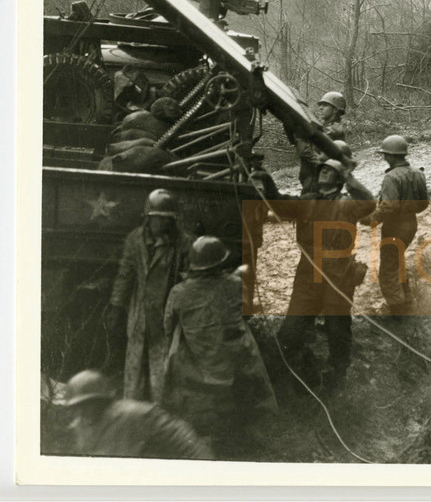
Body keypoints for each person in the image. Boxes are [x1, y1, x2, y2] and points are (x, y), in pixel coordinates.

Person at [162, 236, 277, 451]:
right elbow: (248, 312)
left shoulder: (178, 292)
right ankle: (243, 423)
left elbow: (168, 326)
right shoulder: (235, 284)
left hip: (199, 361)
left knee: (179, 337)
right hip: (235, 358)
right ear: (220, 263)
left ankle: (197, 423)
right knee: (242, 332)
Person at [277, 158, 376, 393]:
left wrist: (350, 178)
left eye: (329, 170)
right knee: (290, 330)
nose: (322, 172)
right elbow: (279, 204)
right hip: (307, 273)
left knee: (337, 328)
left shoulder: (348, 204)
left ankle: (337, 375)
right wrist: (264, 180)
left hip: (338, 273)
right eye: (321, 169)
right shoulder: (308, 201)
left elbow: (369, 204)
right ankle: (303, 372)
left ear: (339, 178)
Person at [106, 189, 191, 403]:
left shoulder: (184, 243)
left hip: (167, 317)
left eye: (169, 219)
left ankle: (160, 417)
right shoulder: (135, 240)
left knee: (162, 373)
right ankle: (132, 414)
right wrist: (117, 306)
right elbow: (125, 274)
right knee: (134, 370)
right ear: (149, 219)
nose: (165, 224)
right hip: (139, 316)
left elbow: (189, 283)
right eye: (160, 219)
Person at [57, 369, 212, 459]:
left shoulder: (136, 414)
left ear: (101, 401)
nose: (81, 411)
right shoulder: (80, 428)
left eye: (87, 404)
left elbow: (186, 441)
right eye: (77, 406)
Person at [374, 135, 429, 315]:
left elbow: (388, 206)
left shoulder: (391, 177)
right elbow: (424, 204)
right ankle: (408, 301)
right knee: (398, 261)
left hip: (394, 226)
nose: (384, 157)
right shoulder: (418, 173)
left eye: (385, 154)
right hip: (411, 225)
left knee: (388, 271)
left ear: (391, 155)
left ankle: (398, 311)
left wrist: (371, 219)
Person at [292, 91, 347, 195]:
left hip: (319, 179)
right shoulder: (326, 127)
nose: (320, 108)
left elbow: (306, 151)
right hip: (318, 177)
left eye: (325, 105)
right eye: (320, 105)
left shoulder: (333, 130)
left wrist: (298, 134)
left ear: (335, 110)